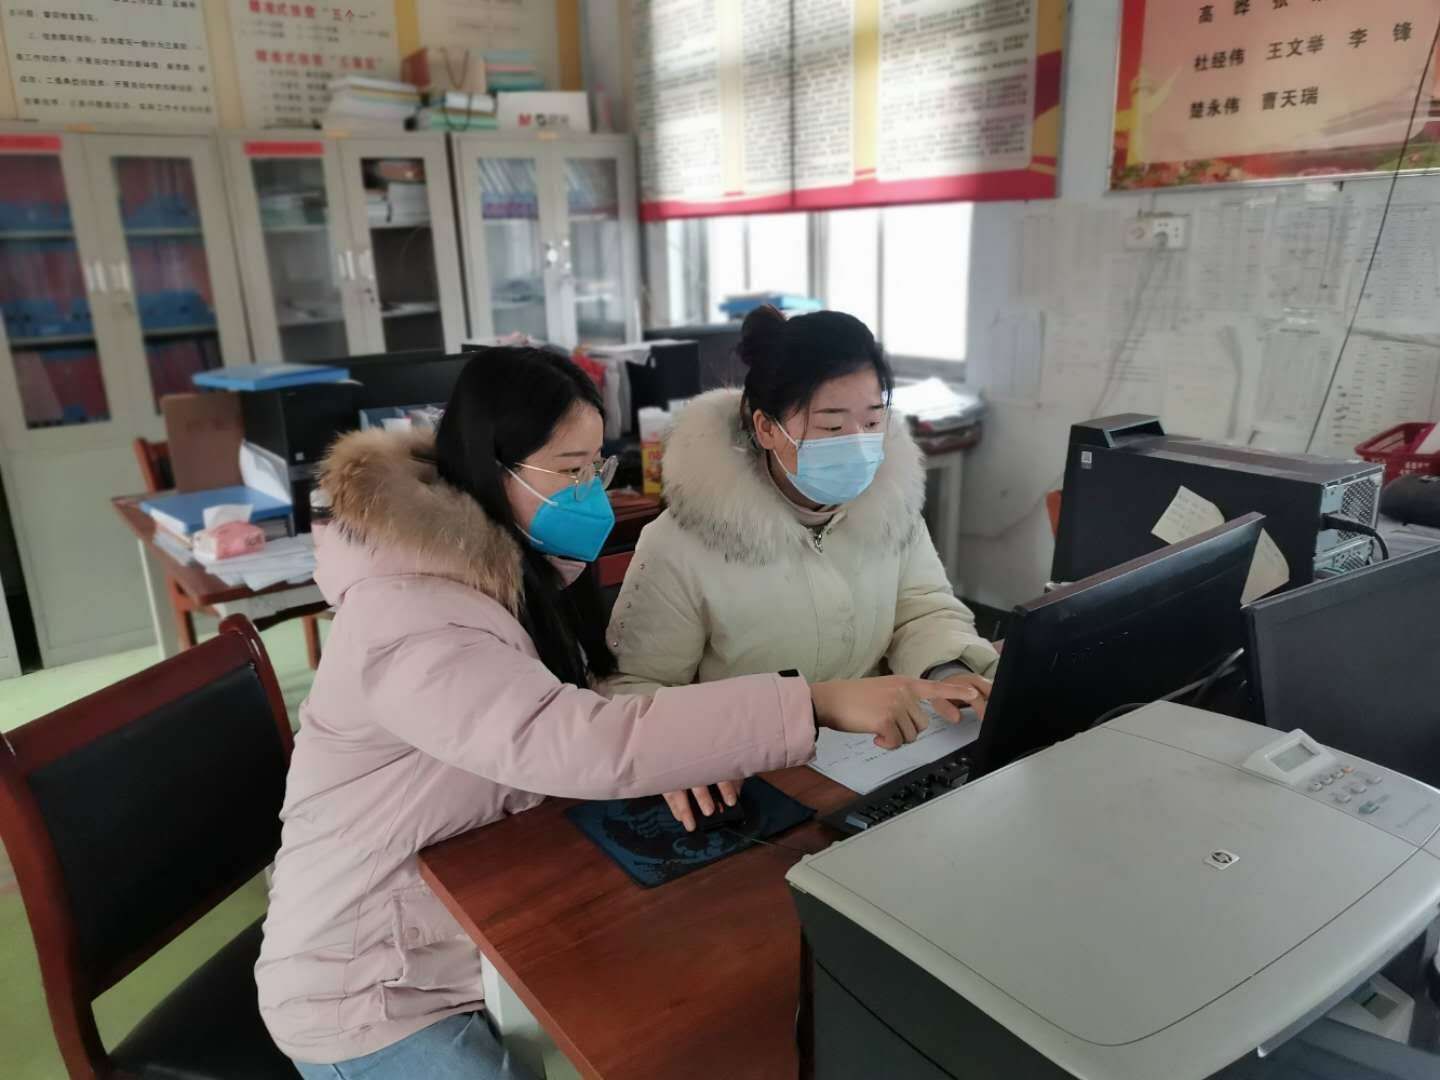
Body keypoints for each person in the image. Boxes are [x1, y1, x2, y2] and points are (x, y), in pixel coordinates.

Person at [255, 347, 970, 1079]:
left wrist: (685, 750)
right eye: (569, 470)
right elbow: (571, 739)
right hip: (367, 988)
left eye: (596, 467)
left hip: (464, 944)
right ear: (492, 467)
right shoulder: (409, 614)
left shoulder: (505, 572)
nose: (591, 492)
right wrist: (811, 702)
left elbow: (568, 705)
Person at [607, 307, 999, 831]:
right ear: (767, 428)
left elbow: (921, 610)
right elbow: (634, 688)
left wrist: (949, 670)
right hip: (755, 780)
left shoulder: (891, 507)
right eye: (832, 425)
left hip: (877, 759)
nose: (858, 442)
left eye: (872, 422)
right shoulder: (683, 542)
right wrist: (681, 750)